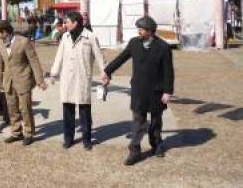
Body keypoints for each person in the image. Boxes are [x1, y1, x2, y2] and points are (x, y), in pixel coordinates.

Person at [102, 16, 174, 166]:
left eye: (141, 29)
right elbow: (121, 58)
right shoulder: (134, 43)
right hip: (139, 90)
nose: (138, 32)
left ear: (150, 31)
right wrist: (107, 71)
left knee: (156, 121)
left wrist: (168, 91)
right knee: (137, 121)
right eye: (138, 29)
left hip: (156, 91)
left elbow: (169, 72)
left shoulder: (163, 47)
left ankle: (156, 145)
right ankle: (134, 150)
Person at [49, 11, 106, 150]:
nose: (65, 24)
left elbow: (100, 56)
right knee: (68, 109)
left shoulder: (90, 36)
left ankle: (87, 140)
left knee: (84, 111)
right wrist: (54, 73)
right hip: (67, 79)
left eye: (67, 22)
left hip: (82, 78)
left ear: (75, 23)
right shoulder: (65, 37)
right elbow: (59, 56)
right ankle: (68, 138)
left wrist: (105, 73)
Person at [0, 21, 46, 146]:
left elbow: (34, 61)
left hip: (23, 79)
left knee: (25, 108)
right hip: (8, 80)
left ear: (5, 32)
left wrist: (40, 80)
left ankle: (28, 133)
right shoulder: (0, 43)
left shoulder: (24, 41)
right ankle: (16, 132)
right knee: (12, 108)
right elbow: (0, 63)